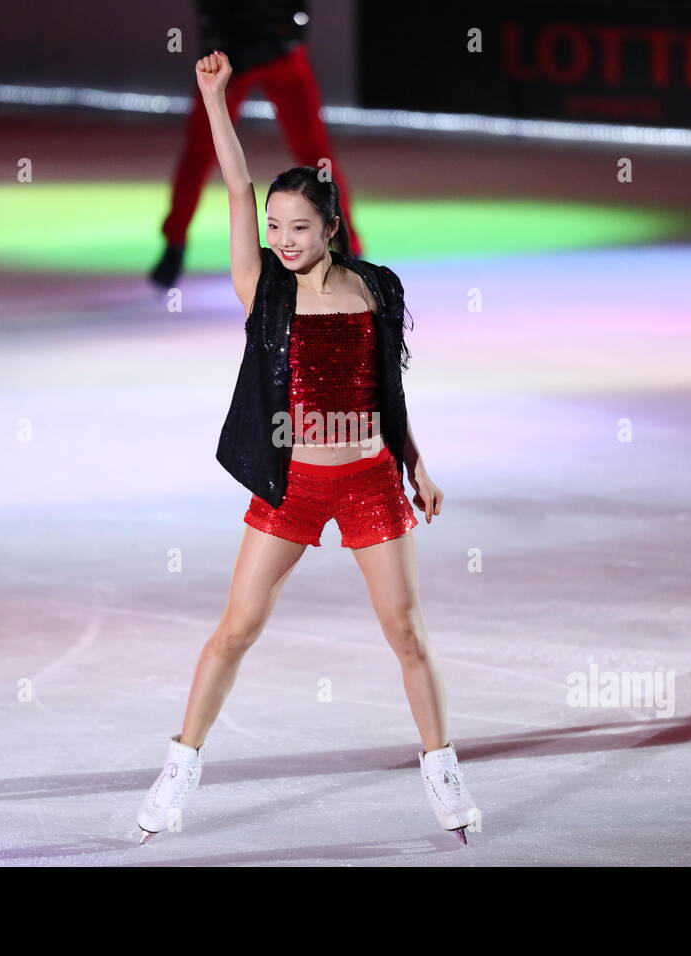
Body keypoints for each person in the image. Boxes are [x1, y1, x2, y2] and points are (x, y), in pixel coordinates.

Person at [135, 50, 477, 845]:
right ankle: (179, 768)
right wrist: (217, 100)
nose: (283, 240)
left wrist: (415, 461)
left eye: (299, 228)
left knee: (406, 631)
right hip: (291, 486)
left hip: (366, 482)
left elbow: (387, 390)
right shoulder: (266, 293)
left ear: (331, 226)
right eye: (273, 229)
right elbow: (235, 184)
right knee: (237, 628)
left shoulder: (376, 288)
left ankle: (442, 768)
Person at [148, 0, 365, 290]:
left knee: (315, 153)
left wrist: (290, 33)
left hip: (272, 50)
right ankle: (174, 244)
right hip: (240, 54)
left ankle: (350, 248)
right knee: (201, 151)